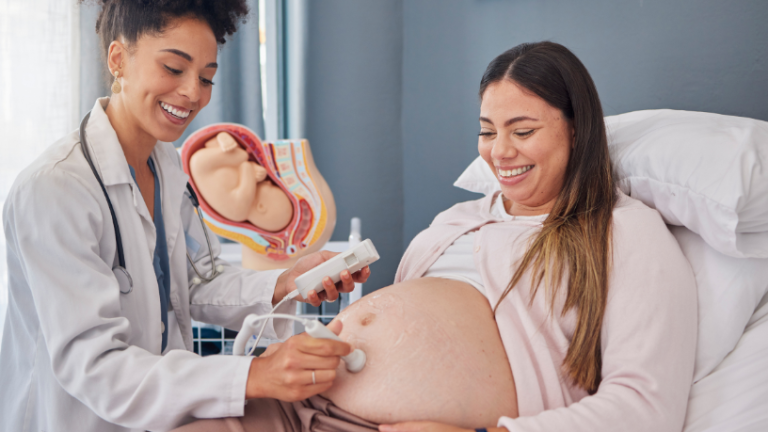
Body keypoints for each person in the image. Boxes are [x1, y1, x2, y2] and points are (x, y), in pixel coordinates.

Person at [171, 42, 697, 432]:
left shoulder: (622, 232)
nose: (499, 151)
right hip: (303, 406)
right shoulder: (455, 221)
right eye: (488, 130)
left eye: (523, 130)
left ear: (578, 129)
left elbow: (645, 407)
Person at [0, 2, 369, 431]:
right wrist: (254, 375)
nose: (194, 93)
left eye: (207, 77)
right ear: (118, 59)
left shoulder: (166, 164)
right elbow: (96, 368)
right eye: (174, 68)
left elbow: (197, 281)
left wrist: (285, 283)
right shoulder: (55, 189)